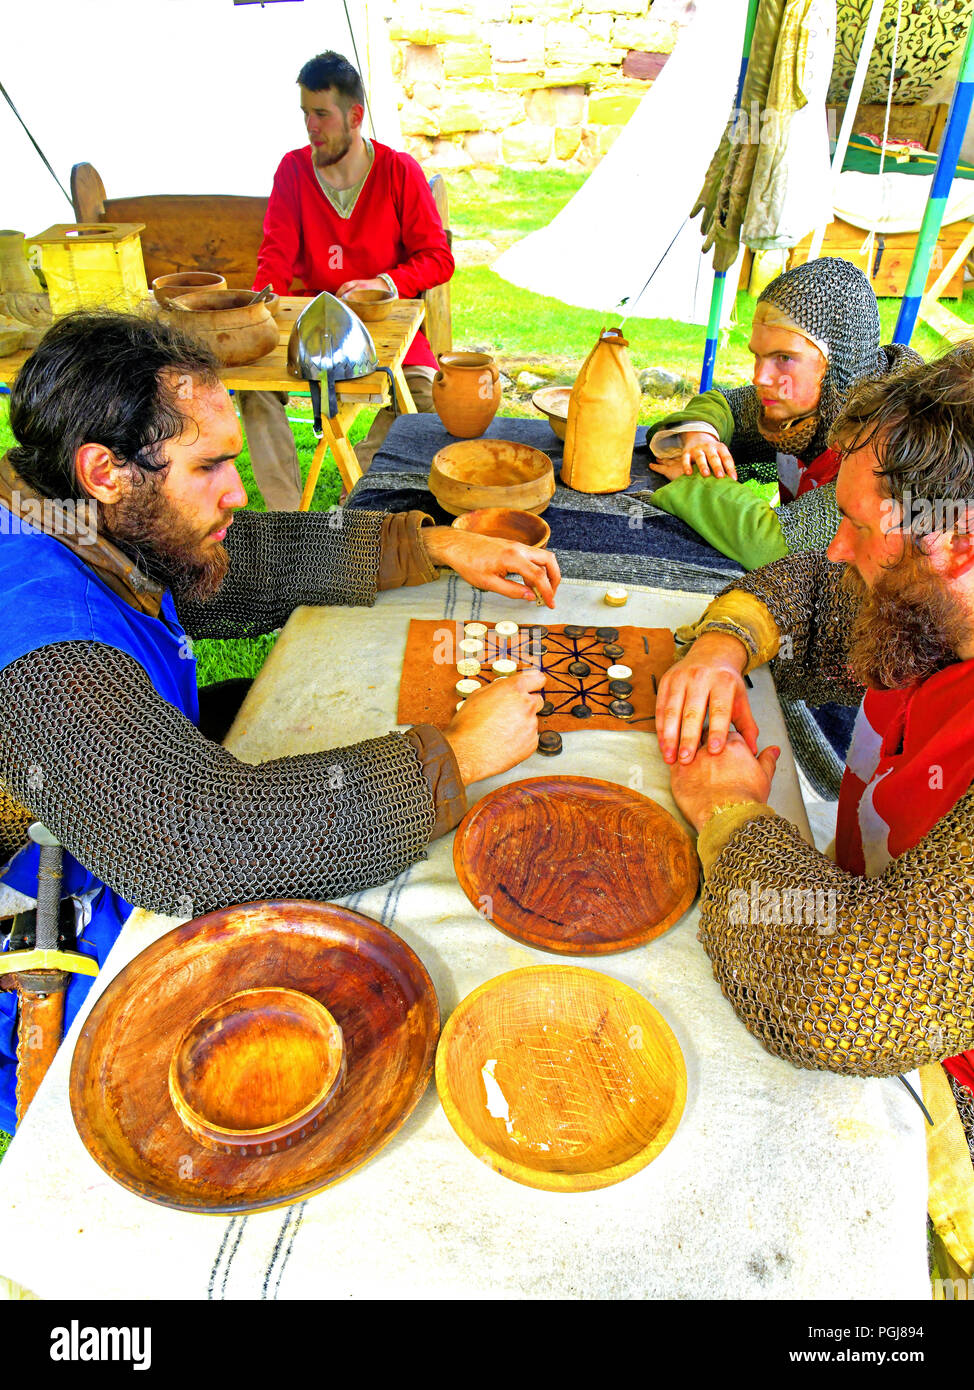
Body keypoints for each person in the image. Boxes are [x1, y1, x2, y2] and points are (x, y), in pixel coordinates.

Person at [0, 311, 559, 1133]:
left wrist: (430, 546)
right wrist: (458, 755)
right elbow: (201, 844)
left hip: (119, 824)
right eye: (211, 465)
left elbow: (226, 562)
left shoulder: (76, 516)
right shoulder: (46, 645)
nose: (238, 490)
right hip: (49, 899)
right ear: (105, 470)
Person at [654, 345, 974, 1152]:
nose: (836, 548)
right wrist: (724, 642)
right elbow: (809, 591)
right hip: (854, 906)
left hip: (938, 1072)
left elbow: (841, 995)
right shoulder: (936, 602)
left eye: (859, 527)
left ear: (957, 545)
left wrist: (728, 812)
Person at [239, 50, 454, 510]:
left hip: (386, 325)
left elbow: (437, 258)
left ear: (355, 116)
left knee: (424, 396)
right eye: (305, 114)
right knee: (255, 387)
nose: (311, 127)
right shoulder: (293, 171)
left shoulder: (399, 172)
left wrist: (386, 282)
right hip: (311, 327)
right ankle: (288, 519)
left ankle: (355, 492)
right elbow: (275, 258)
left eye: (321, 114)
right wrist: (262, 309)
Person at [643, 258, 921, 570]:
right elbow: (723, 404)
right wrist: (701, 436)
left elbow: (775, 548)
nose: (760, 377)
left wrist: (695, 482)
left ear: (839, 362)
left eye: (784, 357)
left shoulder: (895, 442)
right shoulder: (805, 406)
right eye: (758, 356)